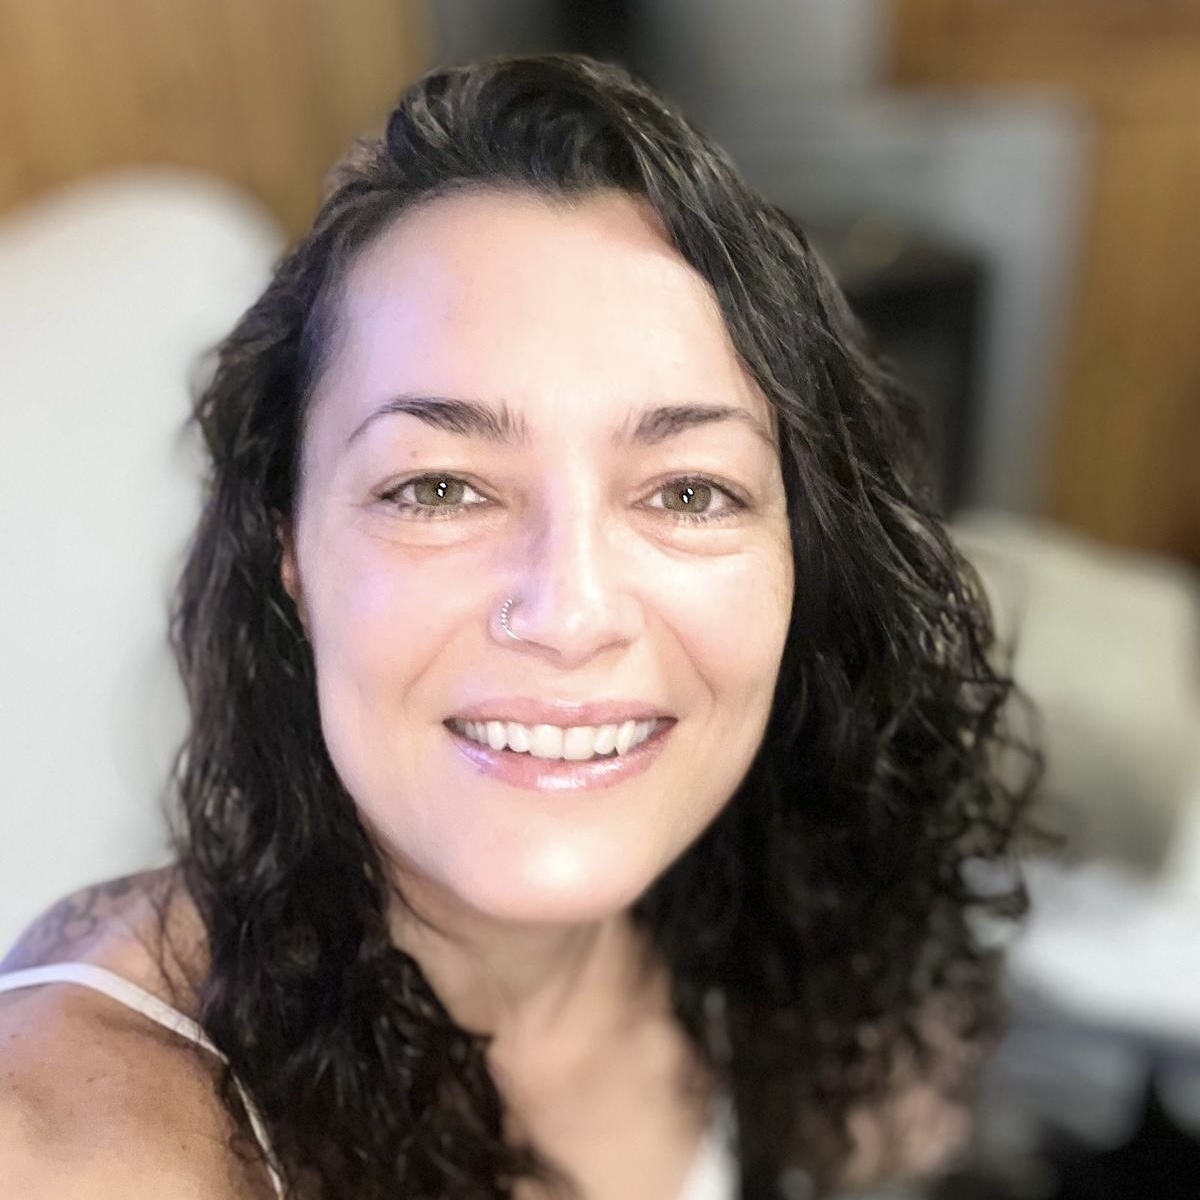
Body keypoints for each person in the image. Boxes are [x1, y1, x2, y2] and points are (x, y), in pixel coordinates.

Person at [0, 54, 1037, 1200]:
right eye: (440, 487)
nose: (570, 611)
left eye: (689, 491)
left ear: (804, 555)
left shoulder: (802, 949)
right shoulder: (81, 1147)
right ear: (287, 545)